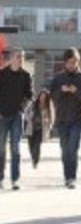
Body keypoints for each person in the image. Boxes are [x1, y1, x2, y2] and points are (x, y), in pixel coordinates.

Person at [49, 48, 81, 189]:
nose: (72, 65)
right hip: (61, 119)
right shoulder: (58, 78)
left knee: (73, 149)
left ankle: (71, 178)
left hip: (77, 119)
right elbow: (52, 98)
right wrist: (61, 91)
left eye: (75, 62)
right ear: (65, 62)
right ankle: (66, 177)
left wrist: (76, 91)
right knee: (64, 149)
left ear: (78, 61)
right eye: (70, 62)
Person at [0, 48, 33, 191]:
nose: (21, 59)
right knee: (1, 148)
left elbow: (30, 95)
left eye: (23, 57)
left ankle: (14, 180)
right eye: (18, 56)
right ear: (12, 58)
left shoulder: (26, 76)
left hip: (16, 117)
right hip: (1, 116)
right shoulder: (2, 74)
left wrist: (22, 108)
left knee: (16, 148)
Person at [25, 89, 53, 169]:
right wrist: (29, 117)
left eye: (44, 97)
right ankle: (33, 158)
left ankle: (35, 161)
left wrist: (48, 122)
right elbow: (26, 113)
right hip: (31, 128)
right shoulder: (33, 104)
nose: (42, 98)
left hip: (40, 129)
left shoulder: (48, 107)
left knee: (37, 146)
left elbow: (51, 118)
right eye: (41, 96)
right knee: (30, 146)